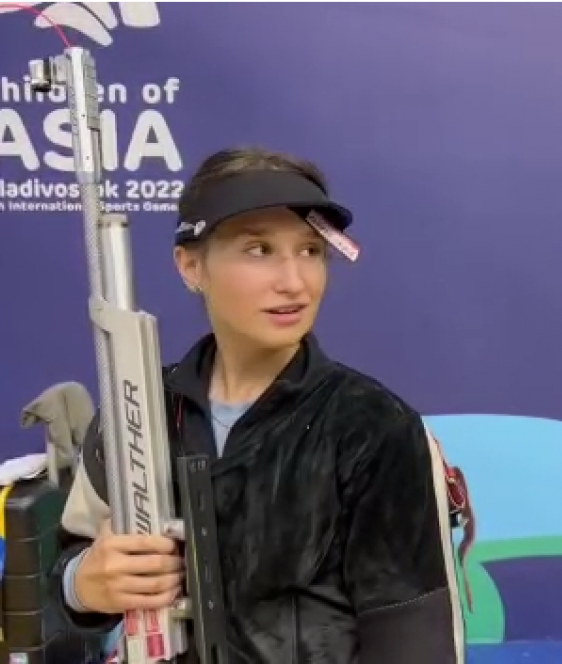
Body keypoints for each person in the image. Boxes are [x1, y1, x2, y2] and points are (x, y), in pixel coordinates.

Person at [50, 146, 470, 663]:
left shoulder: (374, 428)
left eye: (310, 250)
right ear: (190, 265)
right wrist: (82, 585)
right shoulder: (135, 410)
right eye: (258, 249)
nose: (294, 282)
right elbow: (65, 571)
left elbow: (414, 638)